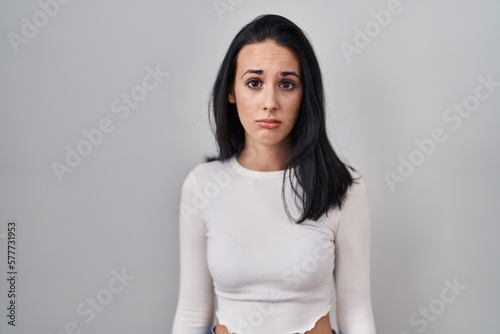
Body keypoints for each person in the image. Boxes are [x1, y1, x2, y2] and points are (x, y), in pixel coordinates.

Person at [172, 14, 376, 334]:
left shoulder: (343, 187)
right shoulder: (202, 185)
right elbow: (192, 311)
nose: (270, 102)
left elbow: (357, 313)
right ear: (231, 91)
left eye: (286, 84)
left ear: (304, 94)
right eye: (254, 83)